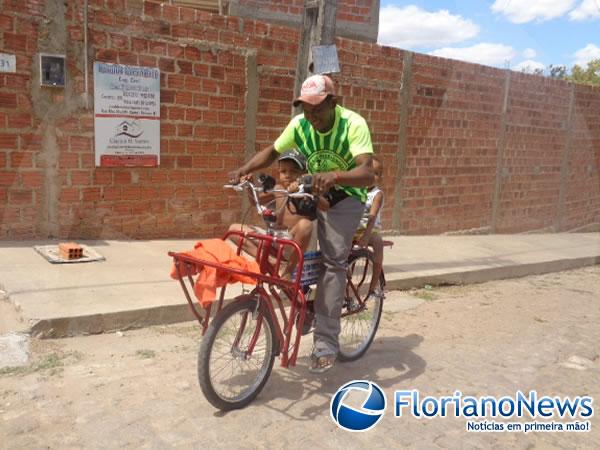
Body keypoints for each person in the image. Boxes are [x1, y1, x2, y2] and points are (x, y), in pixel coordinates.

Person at [228, 74, 375, 374]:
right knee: (289, 235)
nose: (311, 117)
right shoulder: (300, 124)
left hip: (346, 196)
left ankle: (325, 343)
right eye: (306, 110)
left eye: (317, 110)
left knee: (333, 262)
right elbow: (272, 151)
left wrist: (336, 176)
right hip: (311, 190)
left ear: (333, 102)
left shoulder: (353, 124)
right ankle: (303, 300)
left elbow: (367, 173)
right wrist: (244, 170)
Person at [228, 150, 325, 279]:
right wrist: (249, 185)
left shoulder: (306, 191)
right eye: (283, 171)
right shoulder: (278, 189)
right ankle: (273, 262)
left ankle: (288, 271)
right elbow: (255, 201)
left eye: (294, 171)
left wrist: (303, 189)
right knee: (234, 230)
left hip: (293, 241)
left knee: (305, 224)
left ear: (303, 174)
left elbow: (319, 205)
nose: (288, 175)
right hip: (275, 238)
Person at [354, 155, 384, 299]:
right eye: (370, 171)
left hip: (370, 229)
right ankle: (344, 281)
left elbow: (372, 217)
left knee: (378, 243)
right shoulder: (354, 190)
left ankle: (374, 287)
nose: (373, 176)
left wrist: (366, 235)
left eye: (377, 173)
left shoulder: (376, 194)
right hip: (353, 229)